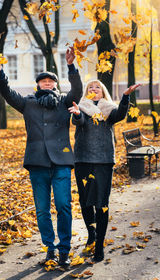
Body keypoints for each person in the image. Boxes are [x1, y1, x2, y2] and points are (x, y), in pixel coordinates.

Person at [0, 47, 83, 266]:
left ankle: (64, 250)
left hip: (61, 162)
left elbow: (77, 89)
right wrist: (0, 71)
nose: (47, 83)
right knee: (41, 210)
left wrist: (71, 65)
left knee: (63, 205)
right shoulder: (28, 103)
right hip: (37, 162)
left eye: (51, 81)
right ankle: (49, 248)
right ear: (38, 85)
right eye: (44, 81)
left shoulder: (64, 102)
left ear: (56, 85)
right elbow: (8, 94)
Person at [68, 79, 141, 262]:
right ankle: (91, 233)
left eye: (97, 87)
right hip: (83, 160)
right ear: (86, 92)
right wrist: (77, 114)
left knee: (101, 203)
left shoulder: (109, 109)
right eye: (90, 87)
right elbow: (79, 121)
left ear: (103, 92)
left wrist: (125, 96)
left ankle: (99, 245)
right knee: (85, 202)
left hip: (103, 161)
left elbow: (120, 114)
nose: (94, 89)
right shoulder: (81, 107)